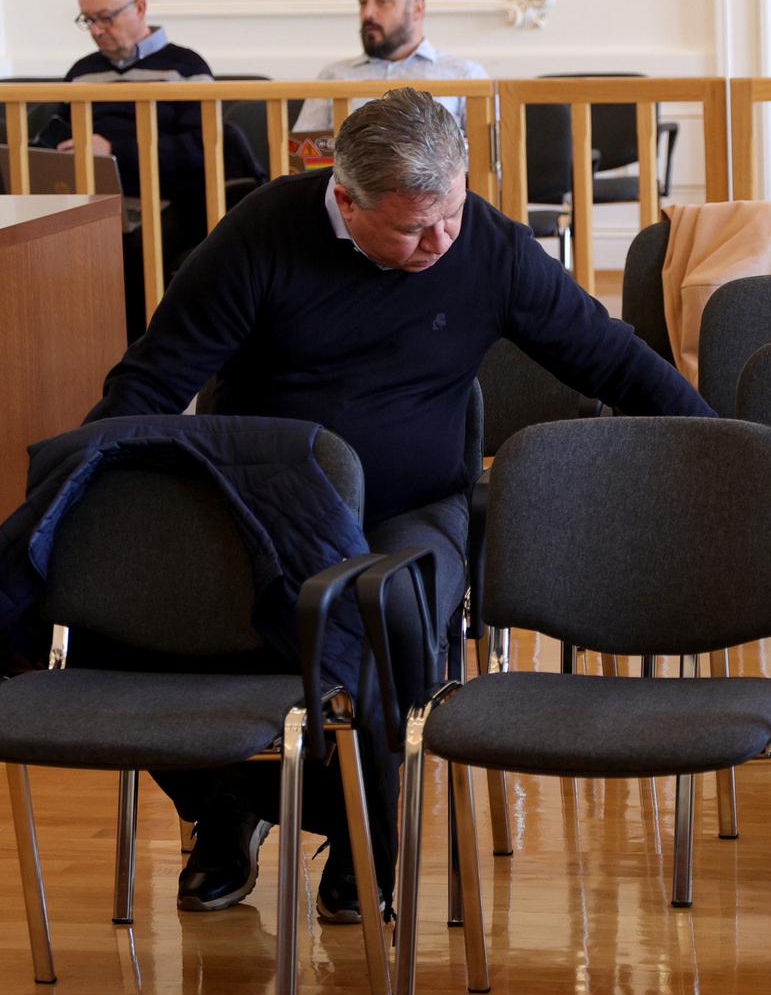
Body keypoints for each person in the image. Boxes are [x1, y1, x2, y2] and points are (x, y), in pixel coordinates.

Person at [84, 87, 712, 922]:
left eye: (449, 213)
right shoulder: (264, 234)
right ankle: (227, 806)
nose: (439, 241)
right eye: (414, 227)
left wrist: (726, 457)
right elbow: (154, 379)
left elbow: (613, 361)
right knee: (154, 606)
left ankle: (358, 831)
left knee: (390, 609)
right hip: (265, 502)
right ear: (344, 199)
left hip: (412, 504)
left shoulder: (484, 244)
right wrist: (86, 491)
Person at [33, 0, 215, 339]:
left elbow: (201, 151)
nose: (96, 31)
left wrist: (114, 151)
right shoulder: (82, 72)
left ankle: (133, 356)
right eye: (87, 20)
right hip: (90, 199)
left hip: (166, 200)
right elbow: (57, 129)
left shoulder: (185, 67)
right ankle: (71, 351)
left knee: (129, 246)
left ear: (140, 8)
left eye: (105, 18)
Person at [293, 0, 487, 133]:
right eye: (363, 2)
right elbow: (300, 156)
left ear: (417, 9)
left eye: (382, 1)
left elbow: (489, 160)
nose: (368, 13)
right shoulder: (333, 76)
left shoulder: (465, 75)